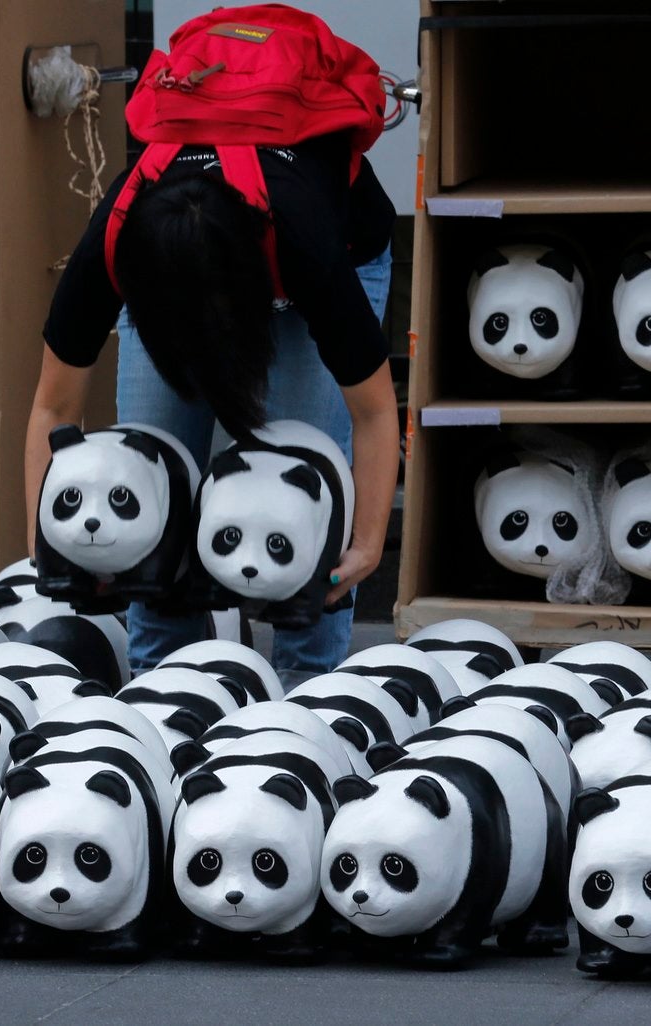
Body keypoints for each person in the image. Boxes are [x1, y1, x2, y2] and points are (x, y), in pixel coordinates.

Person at [27, 20, 398, 682]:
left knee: (293, 493)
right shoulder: (117, 240)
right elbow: (54, 406)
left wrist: (366, 542)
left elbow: (372, 413)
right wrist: (49, 549)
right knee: (152, 480)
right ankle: (166, 694)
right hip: (190, 279)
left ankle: (307, 701)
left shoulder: (306, 246)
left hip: (326, 260)